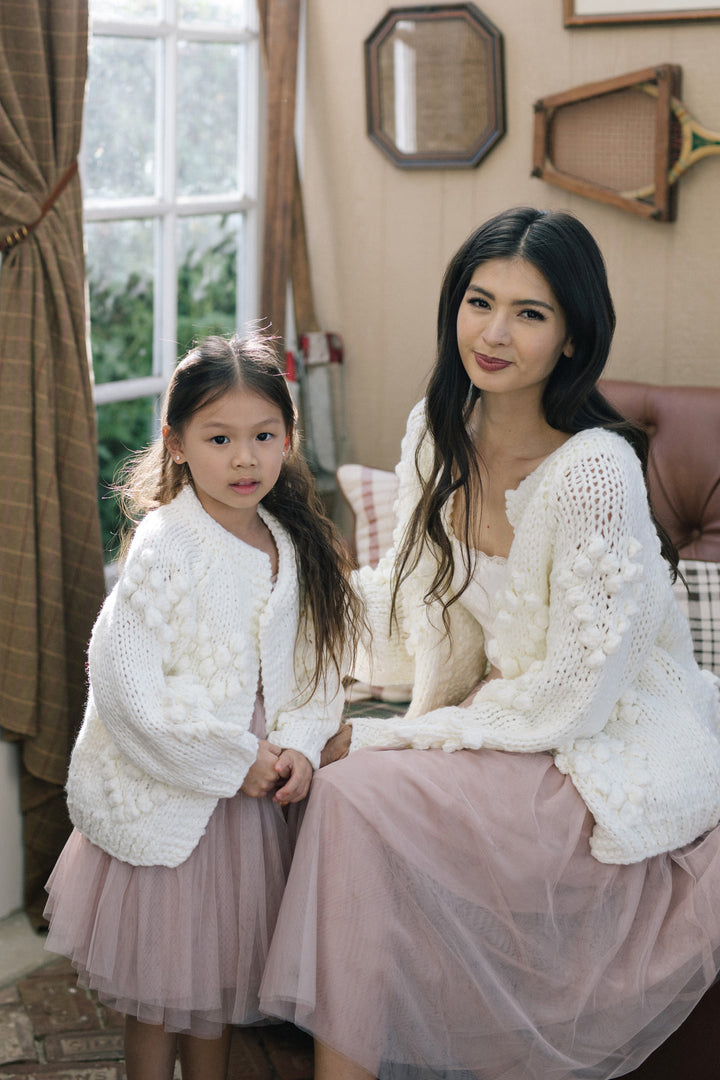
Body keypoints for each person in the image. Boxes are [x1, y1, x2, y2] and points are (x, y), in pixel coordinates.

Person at [259, 207, 720, 1080]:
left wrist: (394, 734)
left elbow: (576, 694)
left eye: (530, 313)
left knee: (355, 796)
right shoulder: (436, 435)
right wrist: (273, 613)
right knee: (320, 770)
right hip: (497, 721)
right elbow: (407, 604)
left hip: (601, 741)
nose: (495, 333)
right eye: (480, 301)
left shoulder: (594, 471)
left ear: (573, 340)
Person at [43, 331, 363, 1080]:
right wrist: (232, 756)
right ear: (179, 444)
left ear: (288, 439)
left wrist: (303, 749)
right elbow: (126, 685)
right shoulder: (166, 544)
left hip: (247, 816)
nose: (244, 458)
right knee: (157, 994)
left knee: (214, 986)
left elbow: (317, 673)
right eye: (220, 438)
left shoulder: (291, 544)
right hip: (175, 794)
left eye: (263, 436)